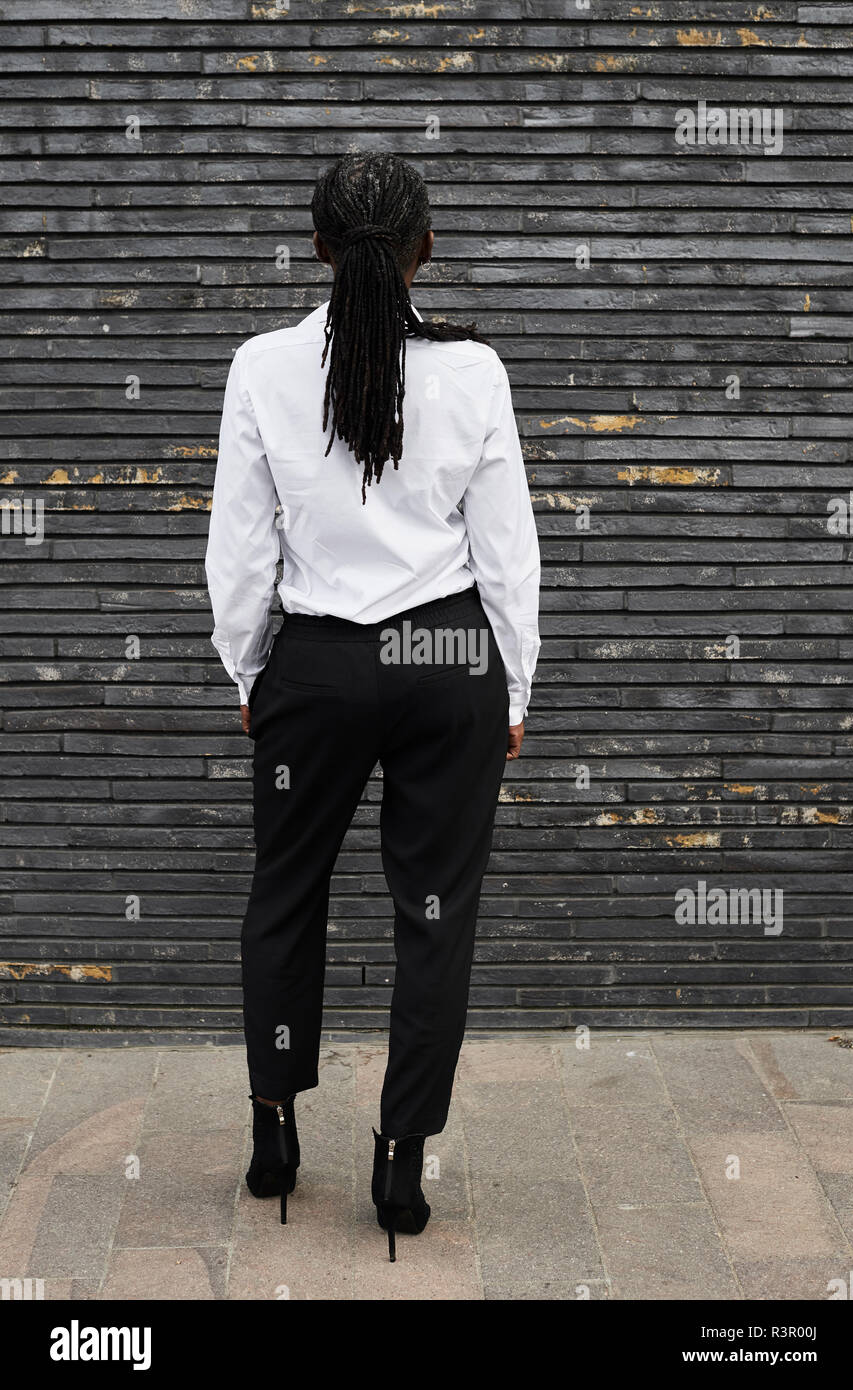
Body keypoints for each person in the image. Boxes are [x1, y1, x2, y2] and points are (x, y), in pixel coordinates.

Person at [205, 152, 541, 1260]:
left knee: (286, 892)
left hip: (317, 665)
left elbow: (241, 549)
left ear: (316, 246)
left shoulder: (260, 367)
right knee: (433, 913)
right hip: (444, 656)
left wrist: (250, 670)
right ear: (424, 250)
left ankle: (274, 1130)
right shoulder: (477, 369)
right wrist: (515, 682)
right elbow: (508, 554)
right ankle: (401, 1160)